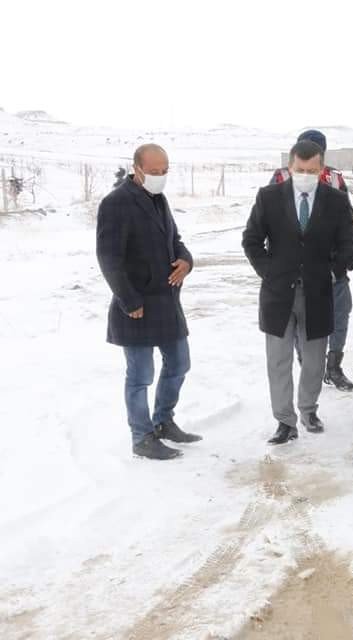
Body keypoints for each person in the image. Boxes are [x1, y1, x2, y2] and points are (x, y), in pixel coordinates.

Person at [243, 140, 353, 445]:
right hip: (278, 294)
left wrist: (333, 271)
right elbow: (251, 239)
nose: (305, 175)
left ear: (321, 169)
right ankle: (285, 421)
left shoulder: (335, 201)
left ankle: (308, 410)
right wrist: (269, 272)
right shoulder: (269, 197)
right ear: (290, 167)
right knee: (278, 360)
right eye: (300, 169)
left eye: (311, 170)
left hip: (318, 293)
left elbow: (349, 243)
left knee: (314, 360)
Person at [96, 143, 201, 460]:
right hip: (136, 305)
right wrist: (129, 300)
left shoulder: (159, 199)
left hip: (166, 302)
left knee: (180, 363)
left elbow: (175, 240)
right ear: (137, 169)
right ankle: (142, 437)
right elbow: (108, 258)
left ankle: (163, 421)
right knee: (140, 375)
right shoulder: (116, 203)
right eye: (154, 171)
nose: (160, 176)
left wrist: (186, 260)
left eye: (165, 171)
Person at [270, 129, 353, 392]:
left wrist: (344, 258)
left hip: (332, 264)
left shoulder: (335, 178)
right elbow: (269, 219)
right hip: (296, 268)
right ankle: (308, 363)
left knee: (340, 314)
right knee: (301, 319)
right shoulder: (282, 176)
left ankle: (333, 366)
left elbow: (348, 219)